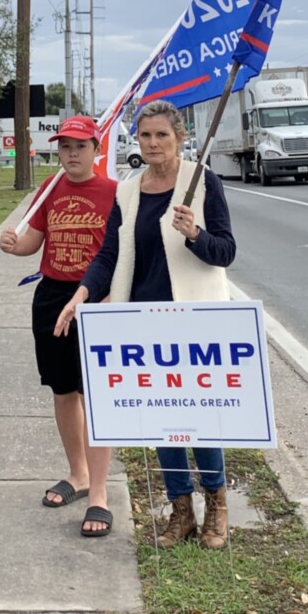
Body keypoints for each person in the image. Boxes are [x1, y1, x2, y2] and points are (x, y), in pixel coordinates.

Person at [55, 100, 236, 550]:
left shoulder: (201, 182)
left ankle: (216, 505)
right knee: (161, 419)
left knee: (198, 417)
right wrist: (82, 294)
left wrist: (195, 234)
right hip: (143, 319)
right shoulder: (129, 191)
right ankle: (181, 511)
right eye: (145, 136)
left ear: (179, 138)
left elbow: (226, 252)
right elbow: (110, 256)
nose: (153, 144)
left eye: (162, 136)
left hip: (193, 318)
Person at [0, 116, 117, 538]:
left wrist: (108, 294)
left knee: (97, 395)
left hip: (95, 300)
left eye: (80, 146)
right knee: (63, 389)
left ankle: (100, 494)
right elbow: (35, 242)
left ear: (95, 149)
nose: (71, 153)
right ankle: (78, 473)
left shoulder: (114, 192)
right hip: (51, 296)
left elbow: (122, 253)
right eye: (65, 145)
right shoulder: (50, 189)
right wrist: (14, 246)